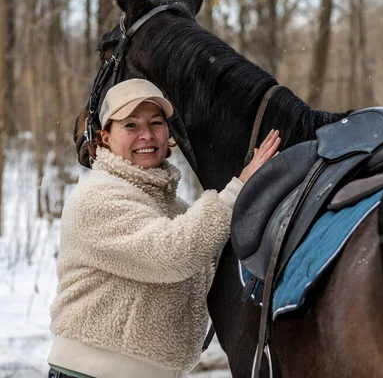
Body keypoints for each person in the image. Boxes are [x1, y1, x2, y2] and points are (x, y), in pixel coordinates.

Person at [47, 78, 280, 378]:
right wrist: (238, 189)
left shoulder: (175, 210)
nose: (147, 135)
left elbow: (217, 262)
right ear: (105, 136)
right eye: (130, 125)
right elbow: (172, 254)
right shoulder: (97, 198)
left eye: (156, 123)